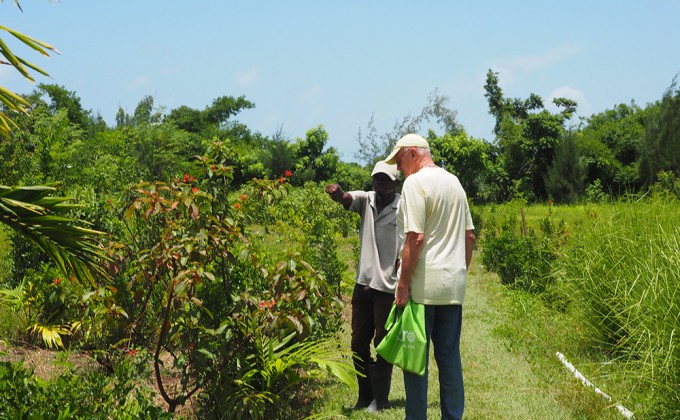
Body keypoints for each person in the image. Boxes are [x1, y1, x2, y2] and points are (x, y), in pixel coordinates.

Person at [384, 133, 476, 420]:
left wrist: (402, 284)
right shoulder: (455, 182)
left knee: (415, 362)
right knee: (449, 359)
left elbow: (415, 238)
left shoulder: (416, 183)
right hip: (452, 287)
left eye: (399, 161)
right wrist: (458, 271)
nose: (398, 169)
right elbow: (469, 236)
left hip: (422, 290)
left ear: (413, 153)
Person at [325, 161, 401, 412]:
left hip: (388, 286)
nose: (378, 183)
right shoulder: (366, 200)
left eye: (384, 179)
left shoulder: (403, 207)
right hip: (364, 283)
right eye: (376, 179)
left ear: (395, 182)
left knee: (383, 343)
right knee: (358, 343)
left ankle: (381, 399)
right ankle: (364, 395)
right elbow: (347, 198)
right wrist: (337, 193)